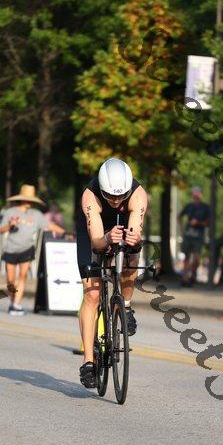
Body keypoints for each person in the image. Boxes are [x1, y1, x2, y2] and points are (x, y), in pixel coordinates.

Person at [76, 157, 148, 388]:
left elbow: (135, 236)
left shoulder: (138, 195)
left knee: (132, 255)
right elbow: (97, 243)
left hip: (123, 223)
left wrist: (134, 241)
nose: (116, 201)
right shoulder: (90, 196)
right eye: (110, 196)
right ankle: (88, 361)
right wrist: (106, 239)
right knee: (92, 294)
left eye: (121, 196)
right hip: (95, 232)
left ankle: (125, 306)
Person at [0, 184, 65, 315]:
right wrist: (10, 225)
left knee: (23, 276)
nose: (29, 202)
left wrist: (65, 232)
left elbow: (49, 225)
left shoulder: (36, 214)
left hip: (27, 249)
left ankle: (16, 304)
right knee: (11, 280)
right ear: (21, 199)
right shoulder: (10, 212)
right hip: (11, 249)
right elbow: (1, 230)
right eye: (27, 199)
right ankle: (13, 301)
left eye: (31, 200)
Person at [178, 186, 210, 286]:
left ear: (200, 194)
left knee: (196, 257)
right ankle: (185, 278)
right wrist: (182, 229)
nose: (195, 195)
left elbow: (208, 223)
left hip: (198, 236)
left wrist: (198, 223)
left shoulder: (205, 207)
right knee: (186, 257)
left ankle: (193, 275)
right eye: (194, 193)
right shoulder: (189, 206)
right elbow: (179, 216)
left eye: (197, 193)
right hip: (188, 235)